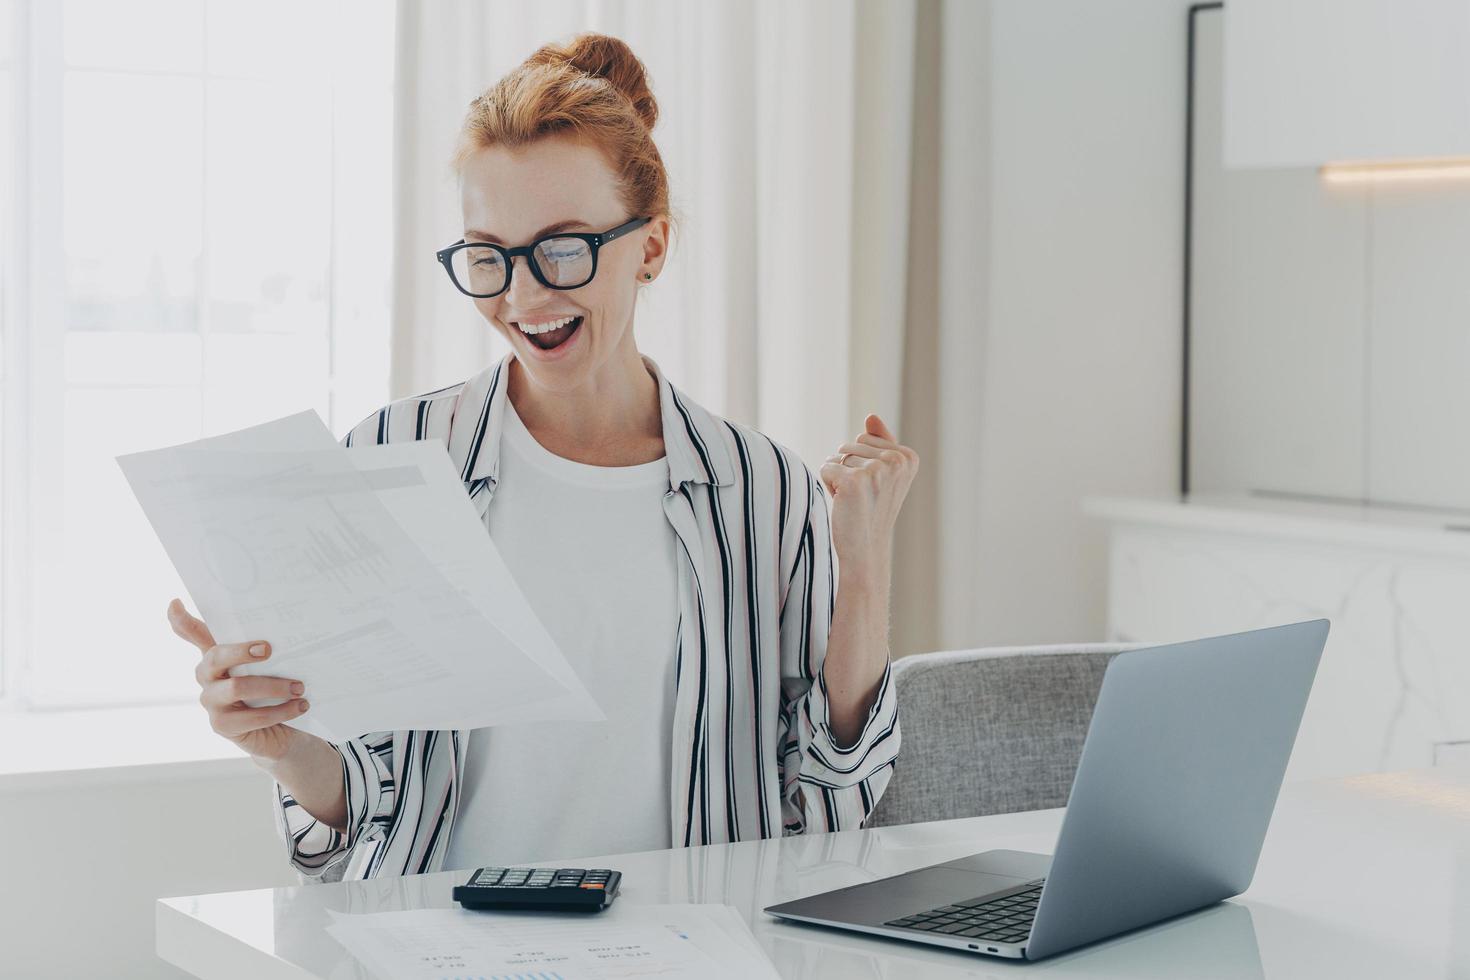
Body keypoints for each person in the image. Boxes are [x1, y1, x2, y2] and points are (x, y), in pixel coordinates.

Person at [167, 31, 917, 882]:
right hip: (438, 946)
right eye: (490, 256)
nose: (524, 297)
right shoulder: (392, 456)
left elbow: (830, 800)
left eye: (563, 248)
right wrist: (284, 750)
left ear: (652, 247)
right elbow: (365, 808)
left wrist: (862, 567)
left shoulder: (760, 487)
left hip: (692, 946)